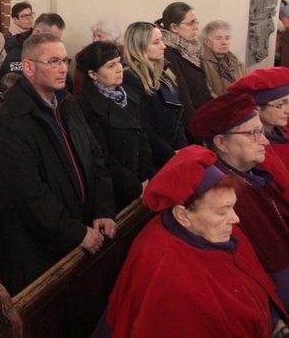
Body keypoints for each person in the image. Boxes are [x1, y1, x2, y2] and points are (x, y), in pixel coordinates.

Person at [102, 145, 287, 337]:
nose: (235, 218)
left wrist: (274, 322)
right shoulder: (171, 284)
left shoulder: (210, 229)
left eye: (232, 207)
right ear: (183, 215)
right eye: (222, 211)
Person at [0, 32, 116, 296]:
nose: (62, 68)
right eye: (53, 61)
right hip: (35, 247)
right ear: (28, 67)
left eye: (65, 61)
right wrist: (75, 232)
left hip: (77, 226)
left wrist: (103, 207)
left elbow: (95, 159)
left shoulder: (68, 103)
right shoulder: (7, 121)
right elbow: (27, 194)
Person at [190, 92, 289, 311]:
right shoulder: (222, 195)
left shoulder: (253, 172)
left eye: (261, 132)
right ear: (221, 143)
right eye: (254, 133)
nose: (264, 140)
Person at [76, 41, 155, 212]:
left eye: (119, 62)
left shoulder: (130, 96)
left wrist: (147, 177)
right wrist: (135, 187)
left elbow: (142, 139)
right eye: (111, 66)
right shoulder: (85, 105)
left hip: (140, 181)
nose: (119, 68)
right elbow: (101, 155)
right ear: (93, 74)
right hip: (112, 190)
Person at [122, 22, 188, 169]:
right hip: (153, 157)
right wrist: (171, 155)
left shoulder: (165, 74)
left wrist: (182, 149)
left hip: (172, 151)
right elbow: (144, 128)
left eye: (162, 41)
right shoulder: (130, 78)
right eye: (156, 42)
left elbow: (177, 116)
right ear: (139, 46)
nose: (163, 46)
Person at [228, 67, 289, 200]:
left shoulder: (283, 130)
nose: (287, 110)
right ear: (257, 108)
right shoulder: (255, 149)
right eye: (280, 105)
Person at [156, 2, 213, 134]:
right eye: (191, 23)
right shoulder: (168, 52)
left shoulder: (193, 49)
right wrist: (199, 134)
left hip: (204, 118)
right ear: (174, 27)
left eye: (196, 22)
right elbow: (183, 100)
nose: (196, 27)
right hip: (191, 127)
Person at [201, 19, 245, 96]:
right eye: (218, 38)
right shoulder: (201, 62)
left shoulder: (238, 64)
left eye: (227, 38)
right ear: (206, 41)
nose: (224, 42)